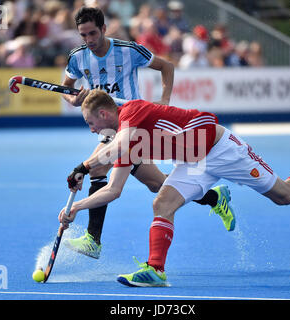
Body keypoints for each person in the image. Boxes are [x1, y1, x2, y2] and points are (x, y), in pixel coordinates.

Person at [59, 89, 290, 287]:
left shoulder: (131, 113)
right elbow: (113, 190)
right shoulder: (122, 141)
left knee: (285, 196)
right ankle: (155, 271)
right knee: (162, 203)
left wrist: (82, 168)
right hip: (192, 164)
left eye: (90, 123)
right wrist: (74, 207)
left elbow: (116, 147)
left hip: (222, 149)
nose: (92, 130)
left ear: (103, 114)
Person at [59, 7, 225, 260]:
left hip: (132, 125)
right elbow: (66, 89)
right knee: (156, 184)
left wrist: (164, 102)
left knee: (97, 169)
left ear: (104, 29)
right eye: (83, 35)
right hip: (108, 127)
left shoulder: (128, 50)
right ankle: (214, 197)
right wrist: (73, 99)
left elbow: (166, 66)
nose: (89, 40)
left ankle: (93, 240)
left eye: (93, 33)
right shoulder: (78, 57)